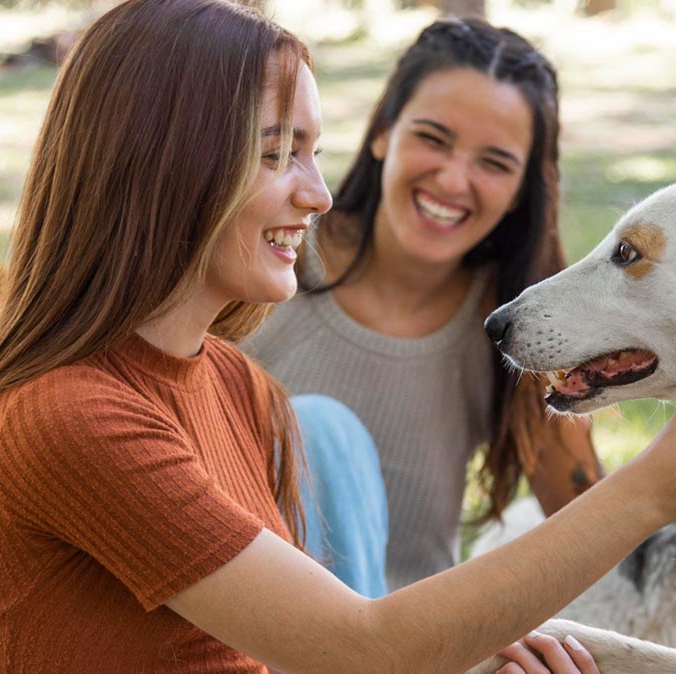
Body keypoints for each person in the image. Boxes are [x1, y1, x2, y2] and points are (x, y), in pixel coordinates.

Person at [0, 2, 676, 672]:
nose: (316, 193)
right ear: (163, 166)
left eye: (313, 152)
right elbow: (358, 654)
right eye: (276, 153)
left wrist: (462, 648)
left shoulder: (231, 388)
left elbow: (302, 647)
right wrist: (656, 485)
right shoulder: (70, 420)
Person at [244, 18, 604, 598]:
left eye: (494, 162)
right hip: (242, 633)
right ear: (384, 131)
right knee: (318, 429)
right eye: (433, 139)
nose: (454, 180)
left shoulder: (512, 330)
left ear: (521, 190)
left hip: (413, 644)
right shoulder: (265, 263)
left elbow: (596, 529)